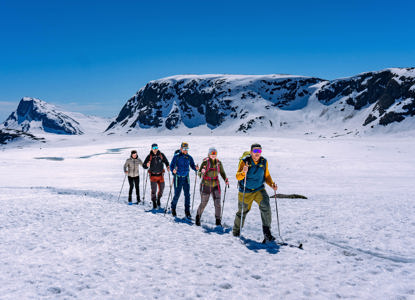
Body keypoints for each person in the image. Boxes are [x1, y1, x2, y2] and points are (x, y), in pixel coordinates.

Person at [232, 143, 278, 242]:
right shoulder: (245, 162)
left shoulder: (264, 161)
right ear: (251, 152)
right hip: (246, 191)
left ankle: (267, 233)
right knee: (242, 212)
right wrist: (243, 172)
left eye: (259, 151)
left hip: (259, 190)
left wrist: (272, 184)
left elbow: (267, 176)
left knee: (266, 208)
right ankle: (236, 232)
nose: (257, 153)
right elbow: (238, 176)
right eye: (255, 151)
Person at [195, 147, 229, 226]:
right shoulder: (205, 162)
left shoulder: (218, 163)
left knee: (217, 203)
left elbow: (222, 172)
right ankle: (198, 217)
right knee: (203, 203)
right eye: (212, 153)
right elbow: (199, 173)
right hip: (206, 185)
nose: (213, 155)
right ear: (209, 154)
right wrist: (202, 172)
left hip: (216, 185)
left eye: (215, 154)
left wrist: (225, 179)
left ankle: (218, 220)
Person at [169, 142, 199, 218]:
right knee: (177, 194)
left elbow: (192, 165)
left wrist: (196, 168)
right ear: (181, 149)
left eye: (187, 149)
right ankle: (173, 208)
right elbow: (171, 166)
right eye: (184, 149)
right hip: (178, 178)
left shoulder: (189, 157)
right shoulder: (176, 157)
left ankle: (187, 211)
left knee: (187, 195)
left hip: (186, 178)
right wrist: (173, 171)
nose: (186, 150)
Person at [143, 143, 170, 209]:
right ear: (151, 149)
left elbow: (166, 161)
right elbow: (144, 166)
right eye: (154, 148)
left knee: (162, 188)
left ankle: (159, 199)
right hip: (153, 176)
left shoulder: (161, 155)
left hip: (161, 175)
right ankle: (154, 201)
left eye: (156, 148)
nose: (155, 149)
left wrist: (167, 166)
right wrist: (146, 165)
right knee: (154, 190)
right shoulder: (149, 156)